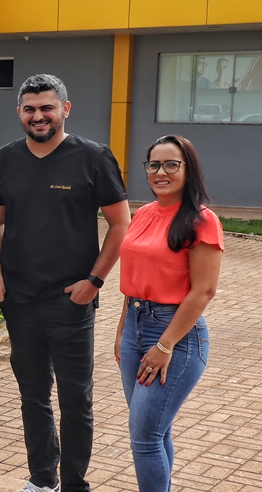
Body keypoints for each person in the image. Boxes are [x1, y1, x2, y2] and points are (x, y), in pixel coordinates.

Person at [0, 74, 131, 492]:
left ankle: (74, 485)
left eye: (47, 107)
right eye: (29, 108)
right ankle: (42, 479)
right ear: (19, 113)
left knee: (75, 399)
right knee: (33, 395)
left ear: (65, 109)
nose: (38, 116)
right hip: (19, 299)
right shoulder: (4, 160)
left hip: (71, 301)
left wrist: (94, 281)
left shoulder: (93, 157)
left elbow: (121, 223)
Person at [115, 134, 223, 492]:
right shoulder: (144, 213)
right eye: (154, 165)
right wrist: (122, 331)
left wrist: (164, 346)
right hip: (135, 325)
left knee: (144, 435)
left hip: (176, 334)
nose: (161, 172)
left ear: (187, 169)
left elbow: (204, 290)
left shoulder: (201, 221)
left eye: (171, 164)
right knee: (154, 431)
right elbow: (134, 280)